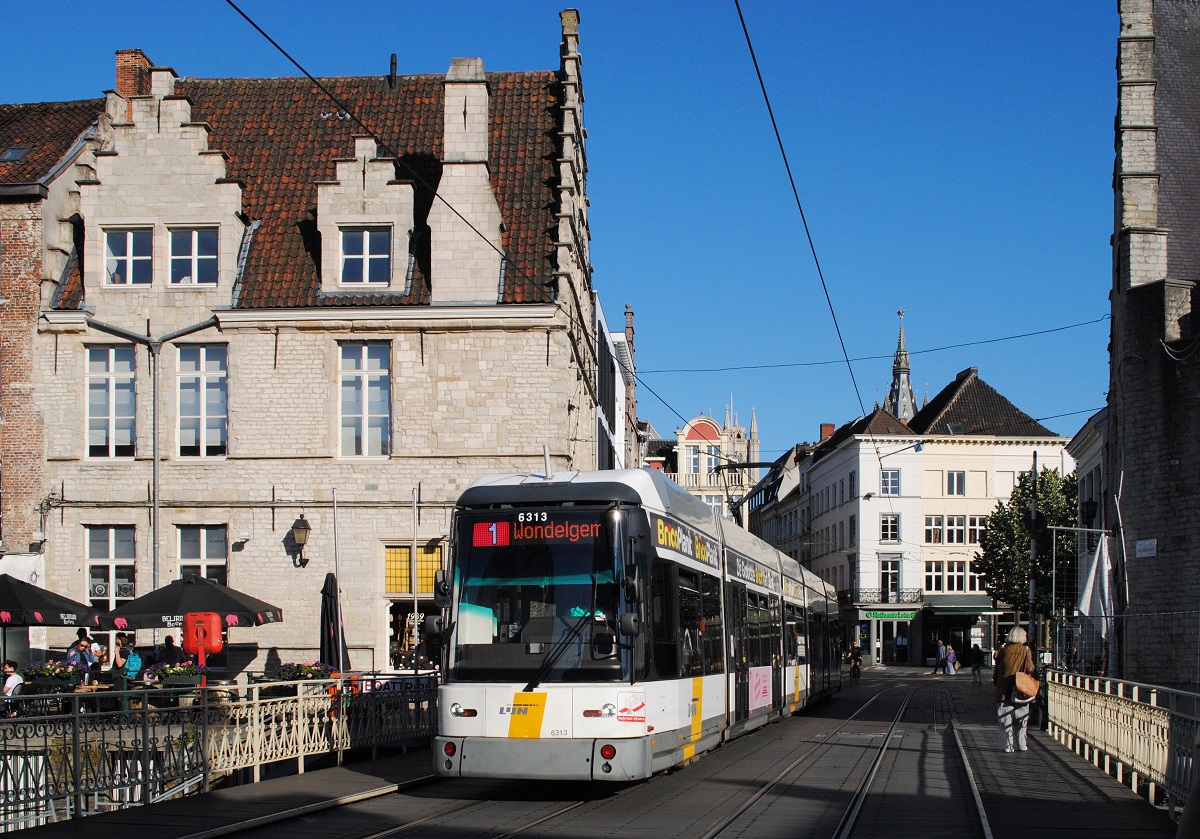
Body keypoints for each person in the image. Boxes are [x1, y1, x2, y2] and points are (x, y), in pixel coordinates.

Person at [994, 626, 1036, 753]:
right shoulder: (1025, 650)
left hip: (1003, 690)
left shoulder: (1003, 651)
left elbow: (997, 672)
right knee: (1022, 720)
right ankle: (1022, 745)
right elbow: (1030, 669)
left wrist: (997, 683)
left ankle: (1008, 746)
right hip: (1021, 689)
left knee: (1005, 720)